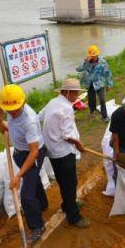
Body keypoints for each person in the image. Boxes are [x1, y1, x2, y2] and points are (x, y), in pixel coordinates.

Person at [0, 84, 47, 245]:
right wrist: (0, 118)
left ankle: (37, 226)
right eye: (8, 110)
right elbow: (2, 120)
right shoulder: (10, 105)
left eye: (15, 110)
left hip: (32, 154)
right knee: (34, 181)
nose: (12, 113)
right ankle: (43, 204)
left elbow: (34, 153)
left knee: (26, 196)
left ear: (23, 102)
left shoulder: (29, 121)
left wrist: (18, 176)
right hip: (20, 152)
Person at [38, 78, 90, 228]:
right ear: (68, 92)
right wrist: (79, 145)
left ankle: (68, 203)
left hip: (53, 150)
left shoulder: (53, 102)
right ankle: (74, 216)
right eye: (75, 93)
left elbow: (39, 116)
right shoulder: (66, 108)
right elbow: (68, 135)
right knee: (69, 182)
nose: (76, 96)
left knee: (63, 180)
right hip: (63, 151)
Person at [77, 45, 114, 122]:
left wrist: (109, 84)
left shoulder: (102, 62)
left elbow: (107, 73)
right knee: (91, 99)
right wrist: (85, 62)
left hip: (99, 84)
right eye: (91, 56)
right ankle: (92, 112)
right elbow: (78, 69)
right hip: (89, 84)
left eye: (94, 56)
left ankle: (105, 116)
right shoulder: (86, 62)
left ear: (97, 55)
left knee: (102, 99)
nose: (93, 57)